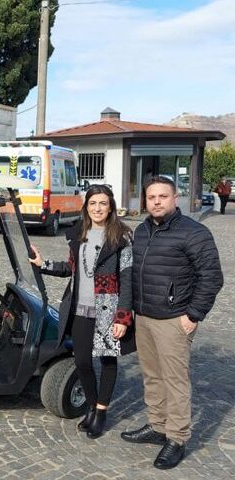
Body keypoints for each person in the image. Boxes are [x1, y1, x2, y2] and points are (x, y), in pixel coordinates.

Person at [122, 176, 223, 469]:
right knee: (152, 376)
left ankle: (176, 438)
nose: (156, 201)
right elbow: (131, 274)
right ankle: (157, 425)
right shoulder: (141, 231)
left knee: (175, 381)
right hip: (145, 317)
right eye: (151, 197)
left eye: (162, 196)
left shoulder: (194, 233)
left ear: (174, 198)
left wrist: (193, 315)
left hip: (173, 320)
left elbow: (212, 277)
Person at [29, 185, 135, 439]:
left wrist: (123, 316)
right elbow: (72, 268)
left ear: (110, 206)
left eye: (103, 203)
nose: (98, 208)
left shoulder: (122, 236)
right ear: (86, 207)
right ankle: (91, 404)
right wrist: (44, 265)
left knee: (108, 362)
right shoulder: (78, 233)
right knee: (83, 361)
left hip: (108, 308)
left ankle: (100, 411)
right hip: (79, 308)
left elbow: (128, 278)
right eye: (93, 204)